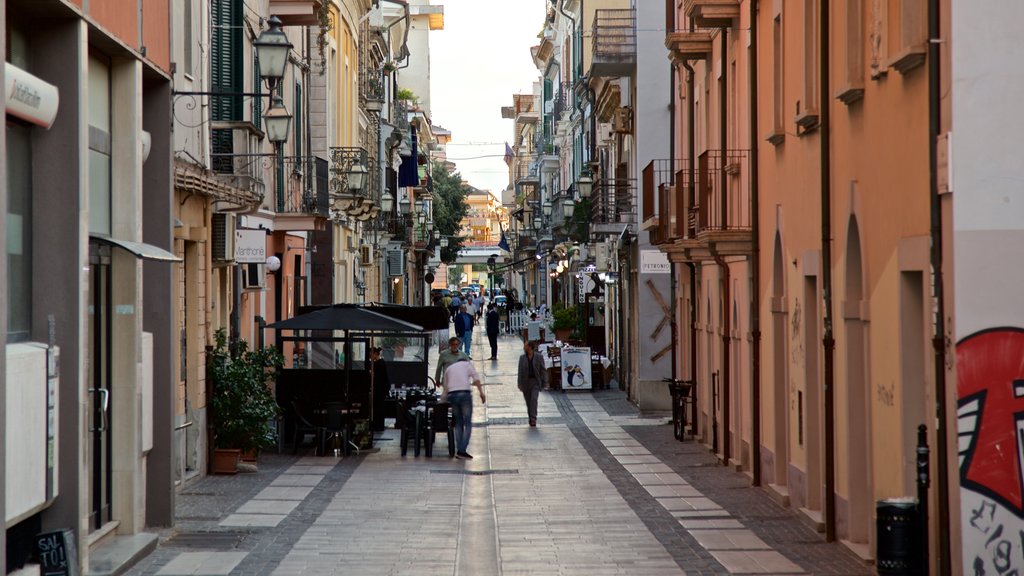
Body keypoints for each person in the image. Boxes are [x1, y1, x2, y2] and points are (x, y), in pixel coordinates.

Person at [443, 357, 485, 459]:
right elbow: (476, 378)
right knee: (468, 423)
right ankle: (462, 450)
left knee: (458, 422)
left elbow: (446, 387)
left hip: (452, 395)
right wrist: (481, 393)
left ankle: (459, 450)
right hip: (464, 394)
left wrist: (442, 400)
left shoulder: (449, 368)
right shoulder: (467, 365)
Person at [517, 340, 547, 427]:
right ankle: (530, 417)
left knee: (534, 399)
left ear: (530, 347)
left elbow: (543, 370)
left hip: (535, 382)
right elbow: (520, 372)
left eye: (525, 346)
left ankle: (533, 418)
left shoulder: (538, 357)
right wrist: (519, 383)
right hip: (525, 382)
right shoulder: (522, 358)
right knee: (528, 401)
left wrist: (545, 382)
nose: (524, 347)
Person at [369, 347, 390, 431]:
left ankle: (379, 425)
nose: (370, 357)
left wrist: (372, 374)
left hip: (380, 389)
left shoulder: (380, 364)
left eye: (371, 355)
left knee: (379, 407)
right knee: (378, 407)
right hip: (380, 388)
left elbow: (378, 377)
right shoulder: (379, 363)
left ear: (375, 354)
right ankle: (378, 424)